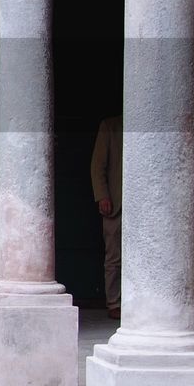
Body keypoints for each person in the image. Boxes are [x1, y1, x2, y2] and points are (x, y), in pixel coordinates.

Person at [91, 115, 122, 320]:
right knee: (114, 258)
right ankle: (115, 302)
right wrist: (102, 196)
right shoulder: (110, 126)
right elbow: (97, 166)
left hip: (145, 205)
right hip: (116, 203)